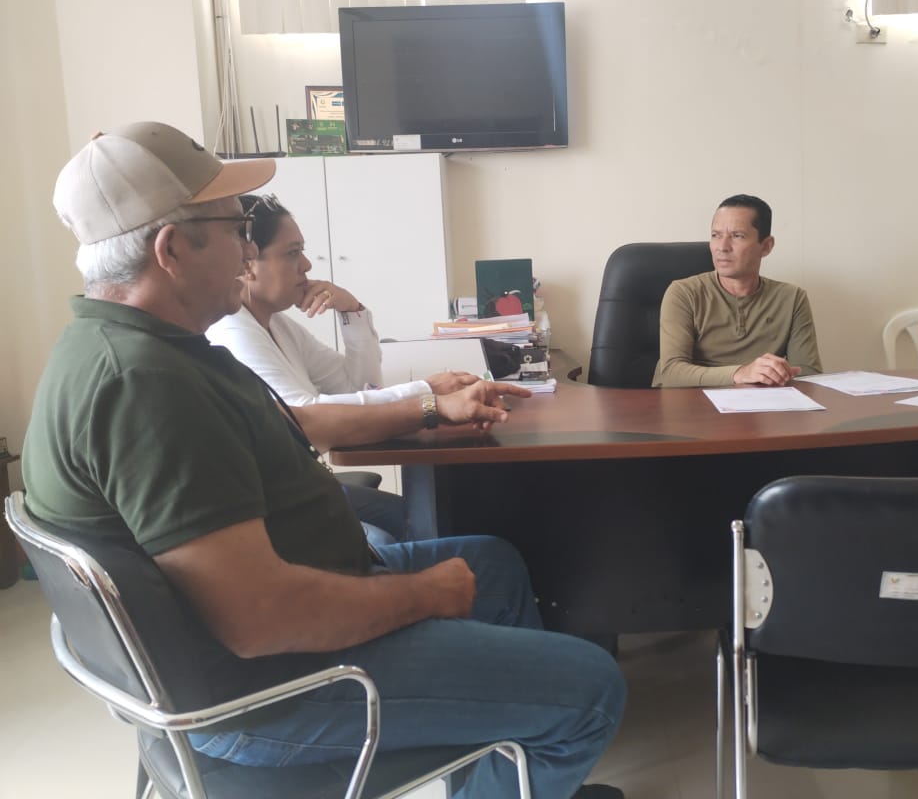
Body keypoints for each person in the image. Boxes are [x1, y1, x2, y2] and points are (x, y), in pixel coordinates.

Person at [22, 121, 626, 799]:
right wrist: (425, 594)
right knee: (592, 688)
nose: (246, 249)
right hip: (280, 687)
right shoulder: (146, 386)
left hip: (293, 615)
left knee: (494, 565)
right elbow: (261, 619)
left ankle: (507, 768)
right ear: (171, 249)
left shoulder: (138, 349)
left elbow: (297, 420)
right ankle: (523, 747)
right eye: (235, 228)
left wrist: (428, 406)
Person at [205, 193, 476, 545]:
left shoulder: (277, 324)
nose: (306, 265)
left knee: (438, 521)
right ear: (247, 262)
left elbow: (359, 386)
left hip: (304, 487)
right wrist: (427, 393)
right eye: (292, 253)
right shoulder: (232, 332)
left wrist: (353, 312)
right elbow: (305, 417)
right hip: (277, 508)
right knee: (399, 537)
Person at [653, 193, 822, 388]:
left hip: (762, 402)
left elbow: (807, 374)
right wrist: (741, 373)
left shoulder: (792, 298)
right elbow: (671, 373)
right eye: (716, 235)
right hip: (693, 401)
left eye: (737, 236)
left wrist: (777, 375)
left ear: (766, 246)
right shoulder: (684, 293)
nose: (722, 247)